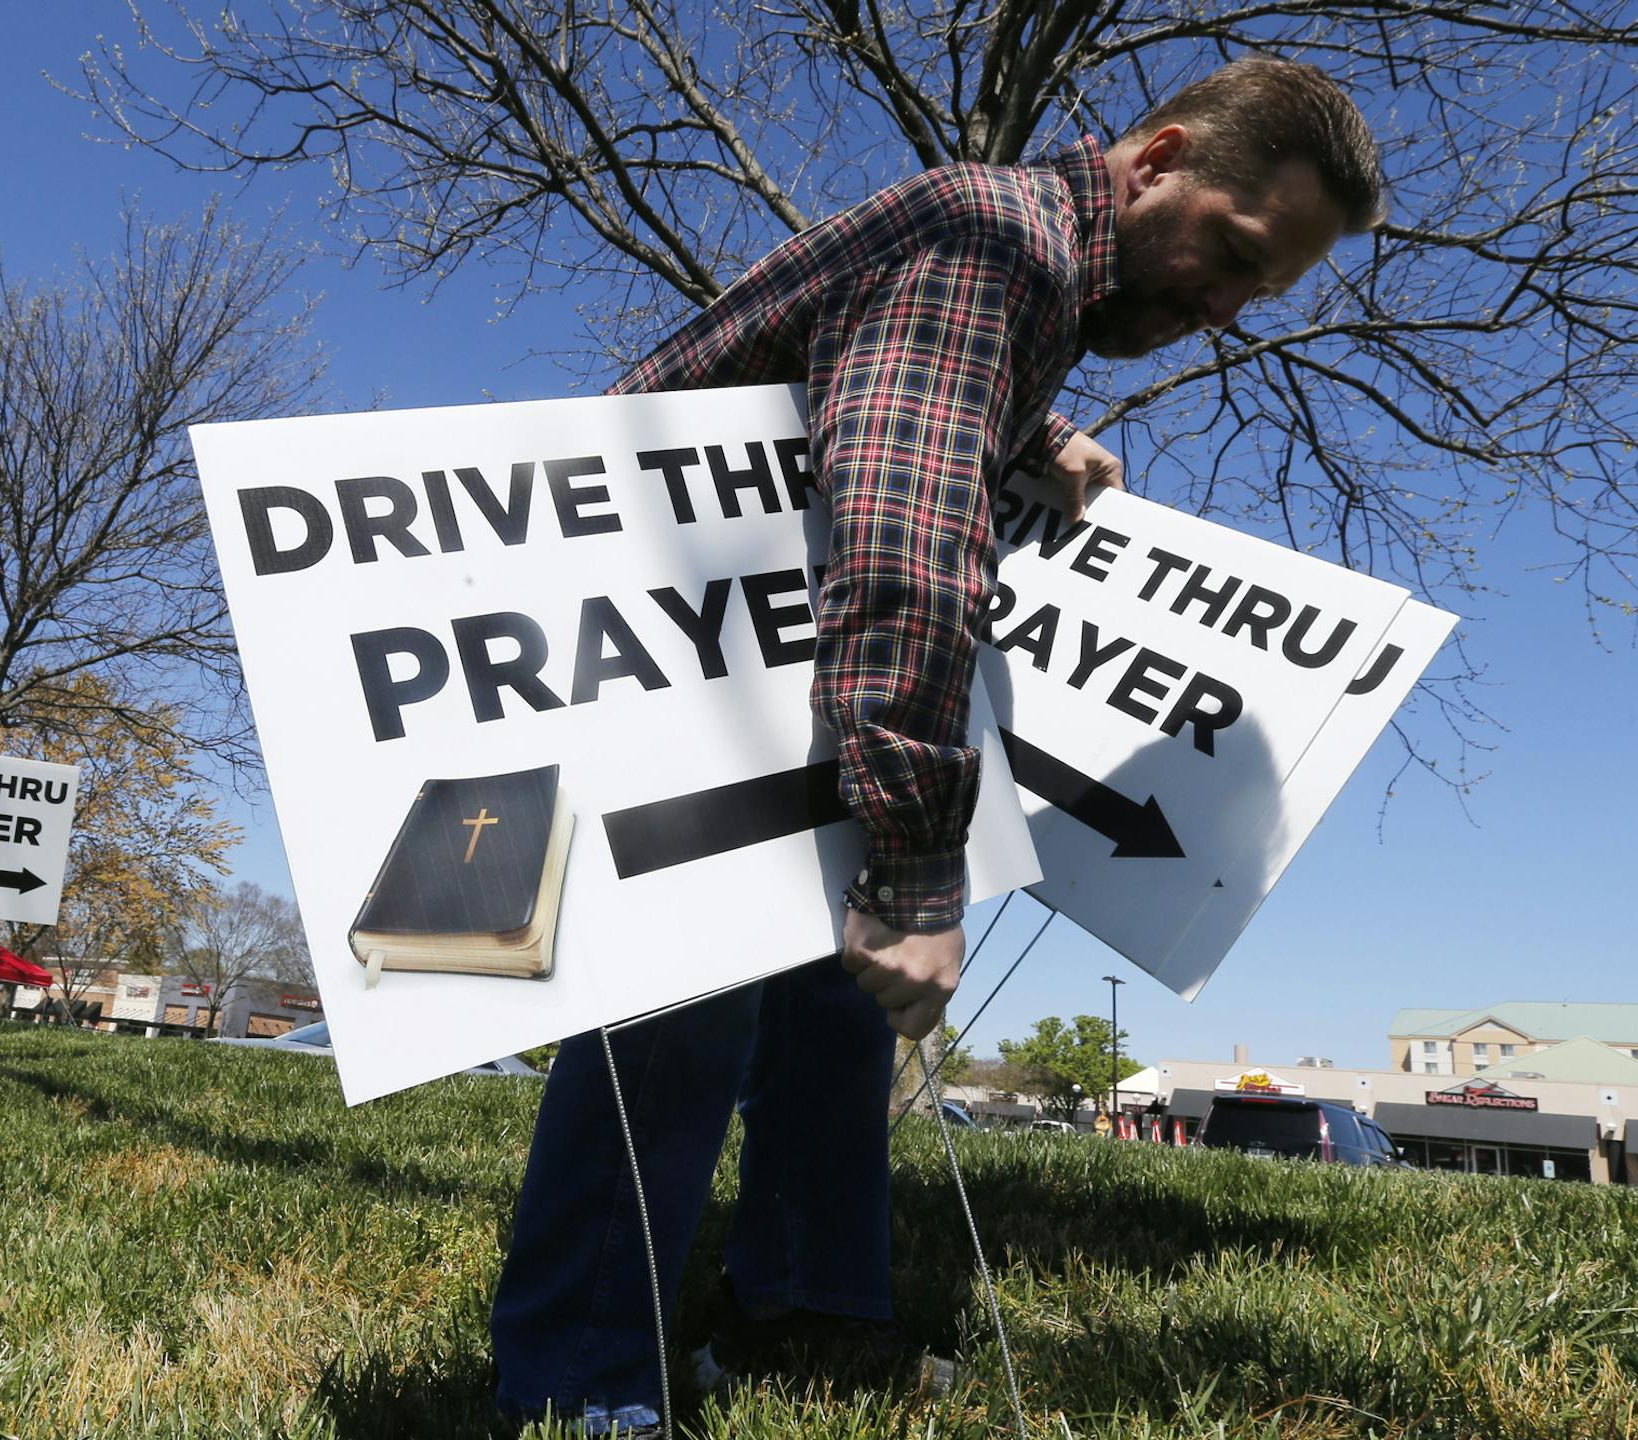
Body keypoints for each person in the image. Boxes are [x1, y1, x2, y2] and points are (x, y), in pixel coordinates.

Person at [490, 58, 1384, 1435]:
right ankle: (575, 1391)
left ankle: (799, 1319)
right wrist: (917, 873)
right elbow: (904, 555)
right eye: (1235, 255)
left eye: (1256, 296)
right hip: (659, 669)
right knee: (692, 987)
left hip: (745, 659)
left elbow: (881, 385)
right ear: (1155, 163)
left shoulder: (1010, 263)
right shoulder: (995, 245)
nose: (1222, 308)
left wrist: (1036, 430)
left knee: (832, 986)